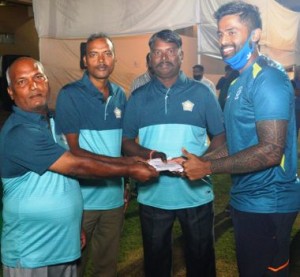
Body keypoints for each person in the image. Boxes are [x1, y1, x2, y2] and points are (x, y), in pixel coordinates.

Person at [0, 57, 158, 277]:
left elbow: (68, 173)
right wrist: (129, 169)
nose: (33, 85)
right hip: (32, 253)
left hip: (64, 245)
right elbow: (76, 167)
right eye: (22, 81)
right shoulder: (21, 132)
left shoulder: (53, 122)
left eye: (38, 77)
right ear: (10, 92)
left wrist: (128, 161)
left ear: (47, 81)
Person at [182, 2, 300, 276]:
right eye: (220, 34)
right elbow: (235, 143)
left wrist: (208, 168)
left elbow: (271, 150)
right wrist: (199, 160)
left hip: (270, 204)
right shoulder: (236, 82)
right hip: (247, 201)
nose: (223, 41)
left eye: (232, 32)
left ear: (255, 34)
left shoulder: (268, 78)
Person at [122, 29, 225, 277]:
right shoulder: (138, 98)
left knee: (201, 263)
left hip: (197, 194)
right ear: (150, 57)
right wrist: (149, 154)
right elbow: (125, 141)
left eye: (170, 51)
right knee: (156, 265)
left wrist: (202, 161)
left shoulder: (202, 93)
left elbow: (221, 136)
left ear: (180, 56)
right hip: (154, 196)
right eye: (158, 52)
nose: (164, 57)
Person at [55, 33, 133, 277]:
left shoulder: (120, 94)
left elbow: (121, 145)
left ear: (114, 58)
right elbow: (74, 152)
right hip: (81, 202)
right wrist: (125, 167)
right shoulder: (69, 94)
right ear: (84, 61)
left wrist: (125, 183)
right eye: (93, 54)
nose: (101, 60)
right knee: (73, 266)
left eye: (107, 53)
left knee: (106, 268)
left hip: (113, 200)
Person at [292, 67, 300, 137]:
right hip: (295, 109)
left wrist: (296, 91)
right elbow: (293, 92)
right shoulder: (293, 81)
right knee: (295, 127)